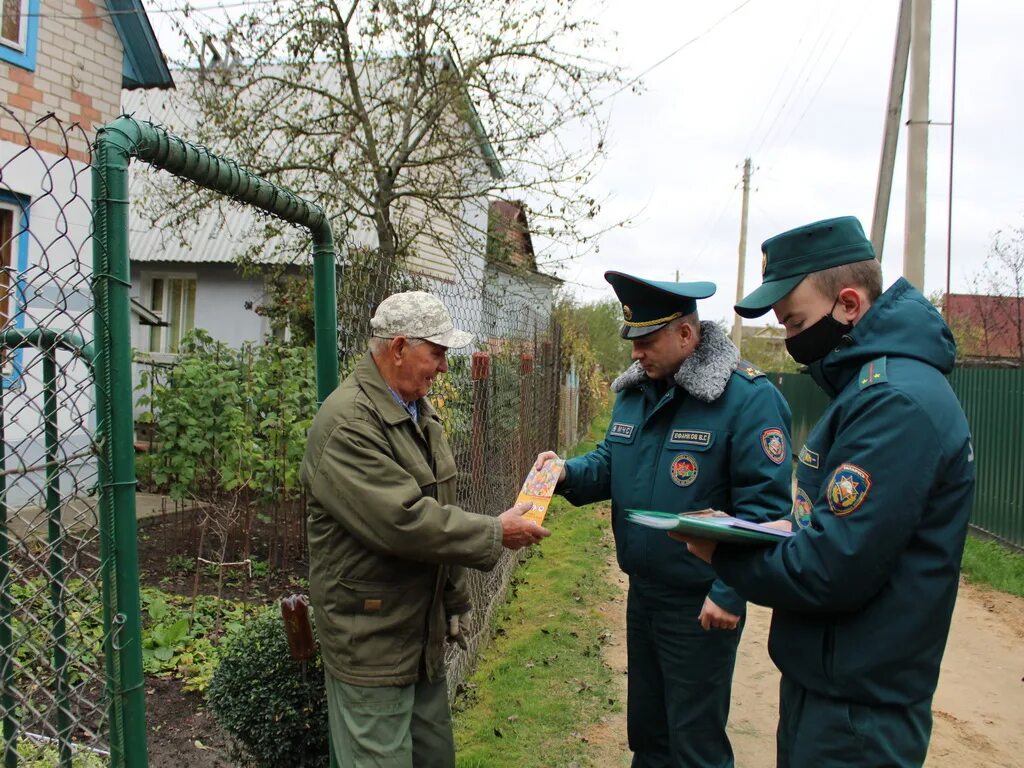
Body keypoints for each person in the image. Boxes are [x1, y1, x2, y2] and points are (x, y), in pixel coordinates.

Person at [680, 216, 975, 767]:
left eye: (794, 322)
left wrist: (722, 552)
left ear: (848, 304)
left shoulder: (895, 403)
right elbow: (824, 525)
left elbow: (831, 568)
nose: (790, 340)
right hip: (833, 684)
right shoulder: (865, 390)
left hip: (860, 712)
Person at [535, 271, 793, 768]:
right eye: (632, 341)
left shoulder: (745, 398)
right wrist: (564, 473)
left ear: (685, 335)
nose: (636, 353)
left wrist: (729, 591)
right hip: (645, 593)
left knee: (695, 740)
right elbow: (611, 463)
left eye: (647, 341)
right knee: (649, 734)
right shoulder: (635, 392)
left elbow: (764, 507)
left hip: (700, 600)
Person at [300, 290, 550, 768]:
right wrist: (496, 532)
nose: (442, 367)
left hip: (420, 632)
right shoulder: (349, 424)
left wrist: (453, 597)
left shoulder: (417, 412)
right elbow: (406, 522)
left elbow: (441, 504)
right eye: (436, 354)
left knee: (433, 757)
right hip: (372, 638)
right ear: (398, 348)